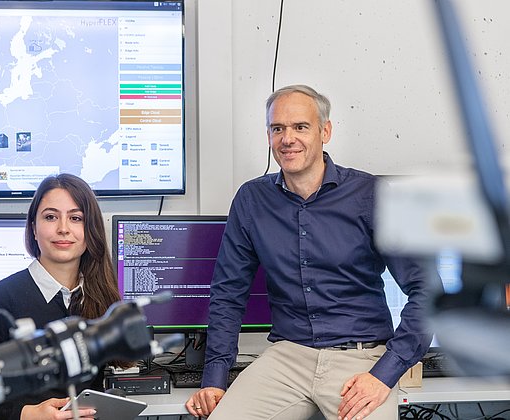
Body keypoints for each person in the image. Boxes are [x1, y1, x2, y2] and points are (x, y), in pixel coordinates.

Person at [185, 85, 442, 420]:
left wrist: (384, 375)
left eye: (300, 127)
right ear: (269, 136)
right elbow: (228, 294)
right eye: (278, 128)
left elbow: (429, 292)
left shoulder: (372, 196)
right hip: (288, 356)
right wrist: (214, 379)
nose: (288, 138)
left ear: (325, 131)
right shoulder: (252, 200)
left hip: (361, 360)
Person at [0, 173, 123, 420]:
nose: (63, 228)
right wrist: (25, 413)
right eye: (50, 217)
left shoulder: (96, 297)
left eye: (76, 218)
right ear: (34, 229)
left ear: (90, 231)